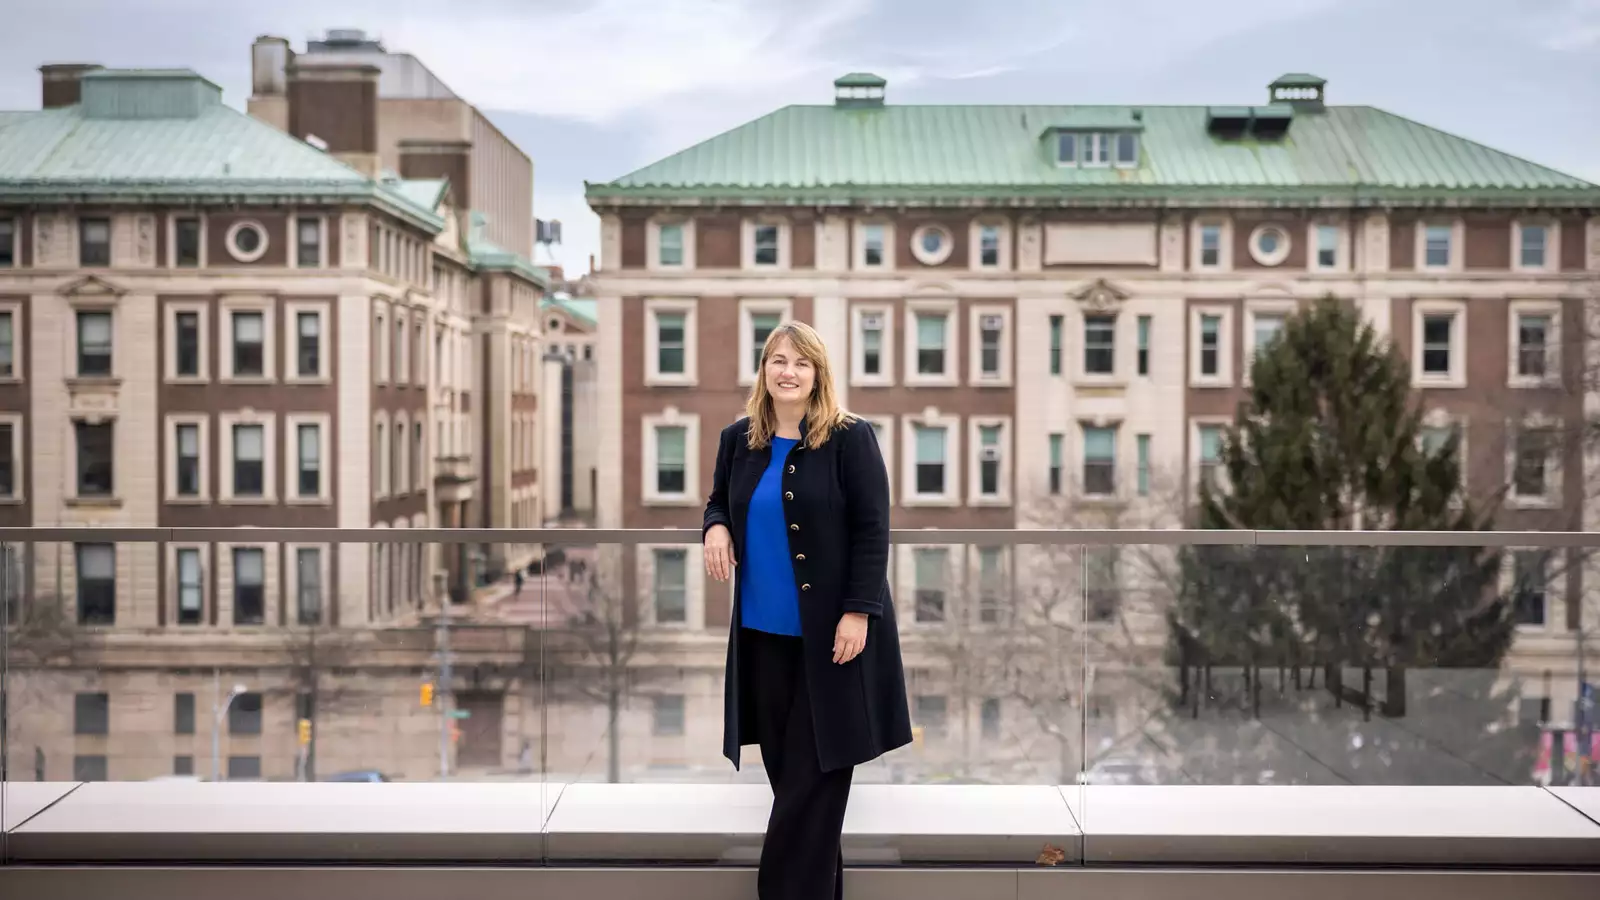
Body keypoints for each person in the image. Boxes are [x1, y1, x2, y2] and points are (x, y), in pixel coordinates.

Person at [703, 321, 912, 900]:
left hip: (834, 644)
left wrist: (858, 611)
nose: (787, 371)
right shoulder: (737, 440)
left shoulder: (850, 438)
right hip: (762, 640)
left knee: (808, 793)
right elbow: (719, 499)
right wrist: (716, 526)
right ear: (763, 371)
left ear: (818, 374)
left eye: (800, 362)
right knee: (798, 794)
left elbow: (874, 531)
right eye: (777, 360)